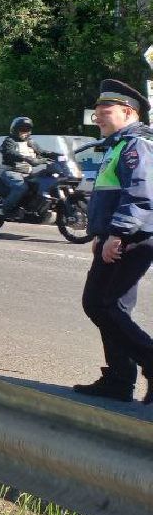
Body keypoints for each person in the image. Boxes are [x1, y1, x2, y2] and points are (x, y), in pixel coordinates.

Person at [72, 79, 153, 405]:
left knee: (101, 305)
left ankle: (145, 363)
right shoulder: (119, 144)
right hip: (118, 237)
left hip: (133, 238)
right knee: (108, 306)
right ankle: (119, 380)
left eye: (105, 111)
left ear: (127, 110)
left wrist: (117, 234)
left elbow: (141, 196)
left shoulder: (137, 146)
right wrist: (102, 234)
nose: (98, 117)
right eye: (97, 112)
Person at [0, 116, 51, 217]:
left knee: (41, 182)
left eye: (28, 130)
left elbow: (43, 152)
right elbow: (9, 152)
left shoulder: (31, 142)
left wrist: (58, 155)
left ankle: (32, 208)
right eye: (23, 130)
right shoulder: (9, 141)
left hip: (27, 173)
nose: (26, 132)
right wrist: (25, 157)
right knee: (20, 187)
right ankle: (7, 209)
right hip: (10, 171)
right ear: (15, 130)